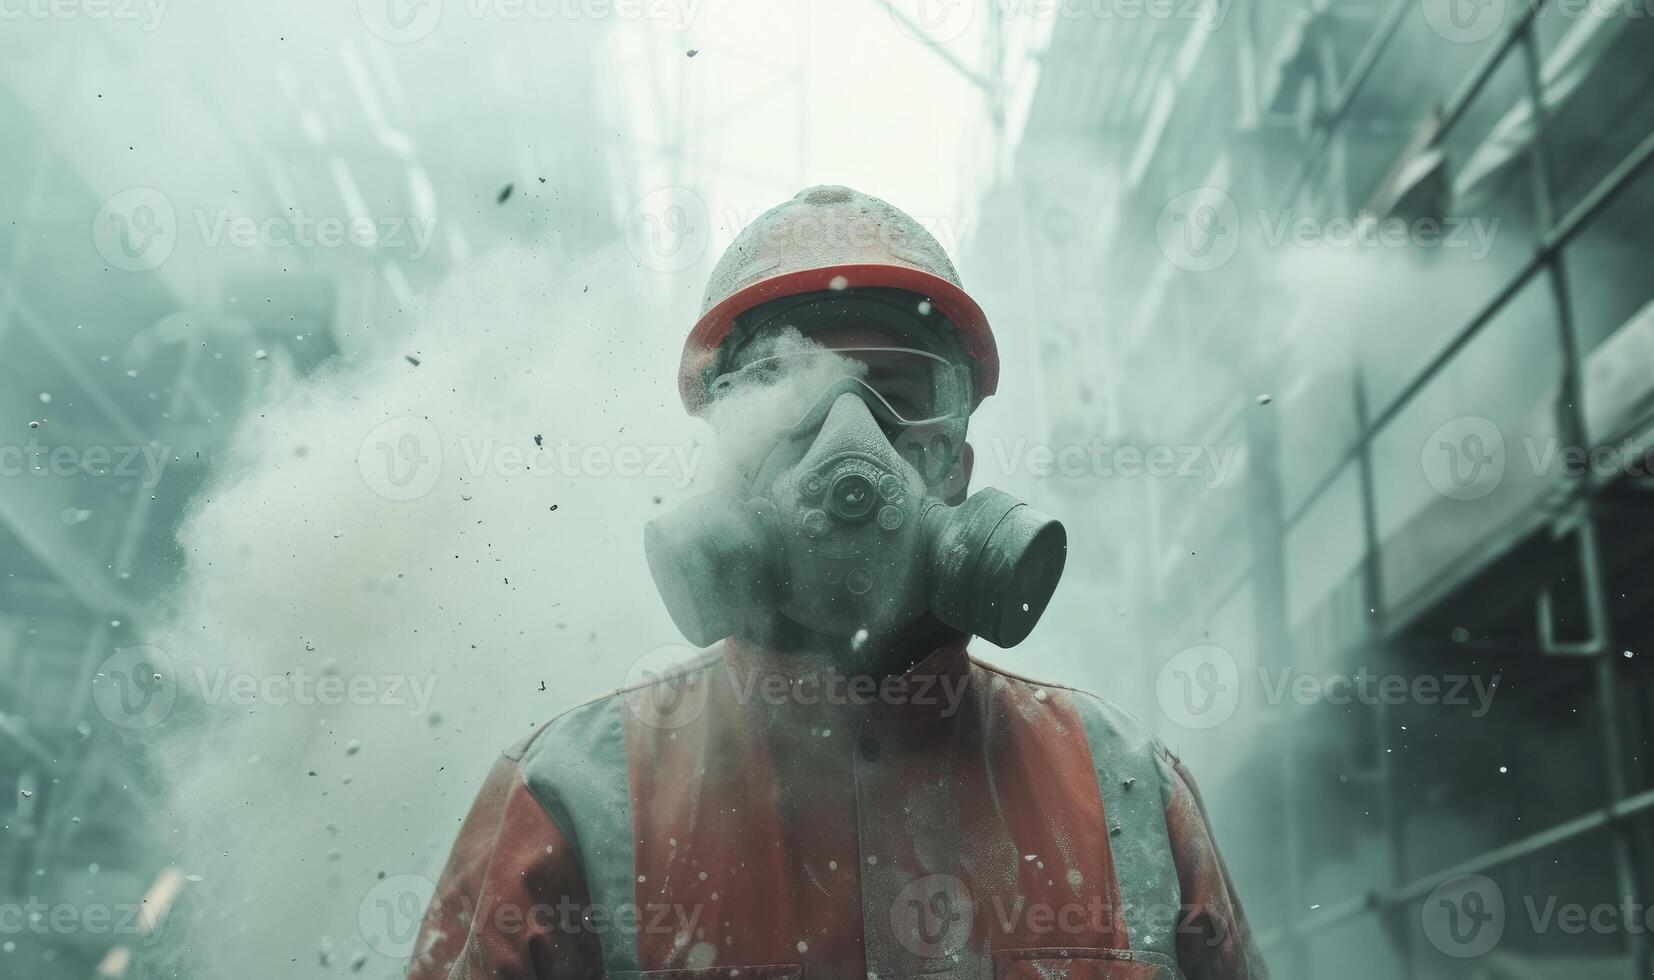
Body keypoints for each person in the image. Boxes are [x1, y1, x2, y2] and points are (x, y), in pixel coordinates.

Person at [406, 186, 1268, 980]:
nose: (850, 448)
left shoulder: (1121, 788)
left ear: (957, 463)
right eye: (790, 397)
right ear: (729, 461)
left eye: (895, 393)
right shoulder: (569, 802)